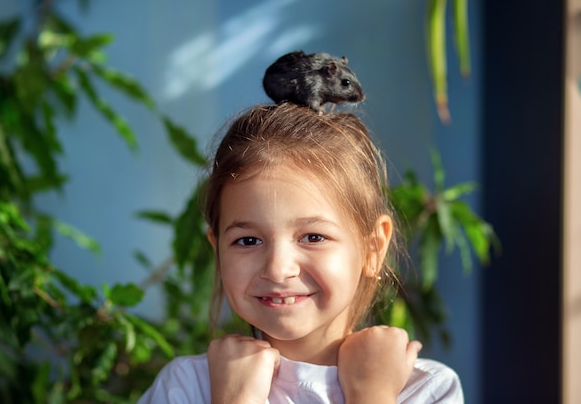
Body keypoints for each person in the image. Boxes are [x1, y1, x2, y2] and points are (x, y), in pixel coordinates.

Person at [138, 103, 463, 404]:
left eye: (312, 236)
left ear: (373, 248)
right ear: (218, 250)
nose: (278, 269)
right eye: (248, 241)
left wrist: (372, 394)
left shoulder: (426, 390)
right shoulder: (187, 387)